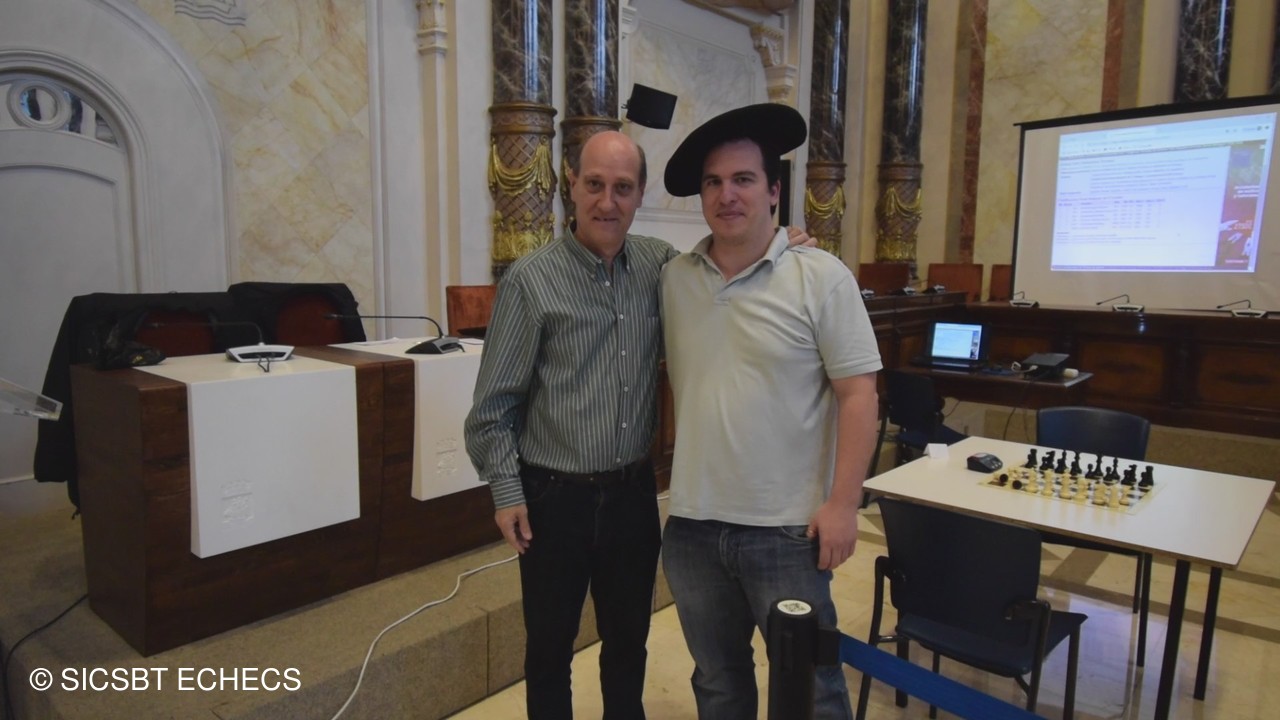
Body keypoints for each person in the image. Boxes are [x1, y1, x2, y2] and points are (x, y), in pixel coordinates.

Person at [658, 104, 883, 719]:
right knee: (718, 683)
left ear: (774, 191)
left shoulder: (822, 277)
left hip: (787, 530)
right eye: (713, 182)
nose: (726, 195)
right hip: (693, 527)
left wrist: (844, 504)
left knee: (812, 691)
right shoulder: (672, 279)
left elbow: (859, 394)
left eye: (743, 179)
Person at [464, 130, 671, 720]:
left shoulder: (660, 266)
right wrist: (507, 492)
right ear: (571, 186)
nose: (608, 202)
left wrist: (784, 243)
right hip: (554, 500)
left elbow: (723, 262)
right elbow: (493, 406)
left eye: (623, 188)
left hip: (633, 495)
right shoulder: (531, 280)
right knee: (550, 649)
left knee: (629, 642)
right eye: (595, 184)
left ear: (640, 194)